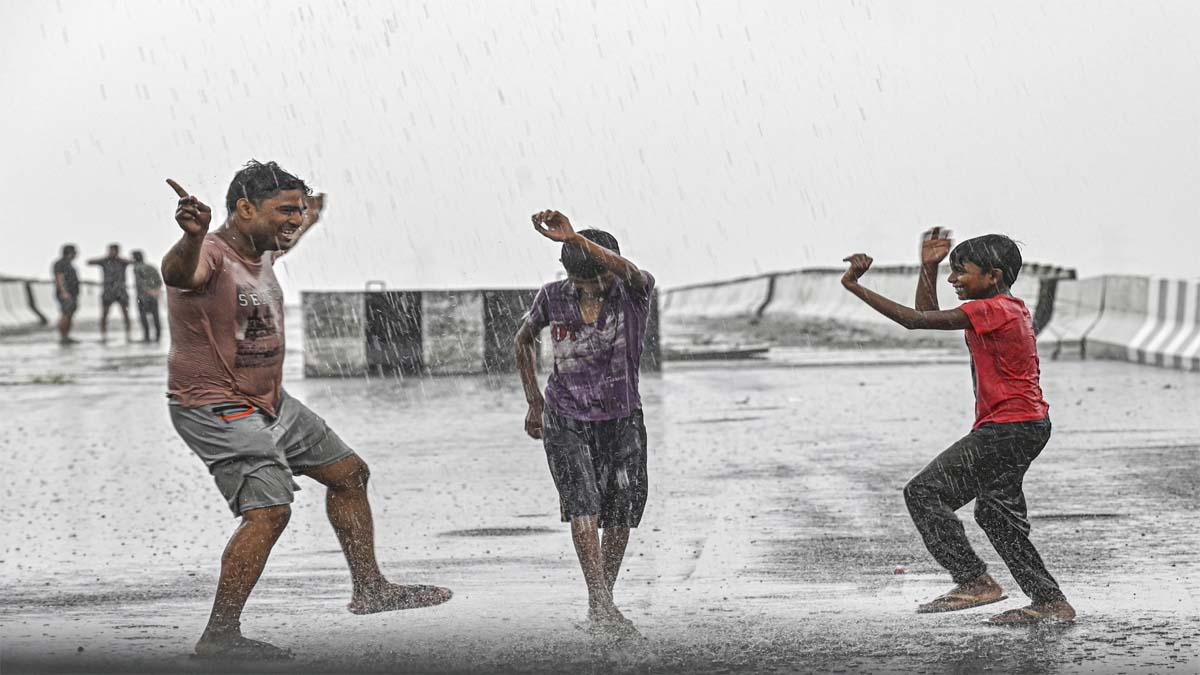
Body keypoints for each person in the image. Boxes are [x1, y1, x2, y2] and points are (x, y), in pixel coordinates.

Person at [161, 160, 451, 660]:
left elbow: (295, 228)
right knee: (269, 511)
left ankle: (371, 589)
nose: (293, 220)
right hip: (215, 405)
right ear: (245, 209)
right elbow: (178, 273)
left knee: (349, 473)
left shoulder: (262, 249)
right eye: (284, 211)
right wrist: (192, 235)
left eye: (298, 210)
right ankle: (220, 636)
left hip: (272, 403)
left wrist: (310, 212)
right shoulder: (210, 253)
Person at [839, 227, 1075, 625]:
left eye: (961, 271)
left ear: (993, 276)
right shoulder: (1006, 307)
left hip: (1008, 428)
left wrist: (854, 286)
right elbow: (927, 315)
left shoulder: (992, 310)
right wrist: (928, 268)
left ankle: (974, 580)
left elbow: (914, 320)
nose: (953, 279)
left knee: (924, 492)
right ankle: (1049, 601)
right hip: (1026, 425)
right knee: (995, 515)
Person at [514, 210, 655, 635]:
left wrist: (575, 237)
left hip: (622, 417)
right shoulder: (553, 296)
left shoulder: (633, 291)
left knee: (620, 511)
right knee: (583, 506)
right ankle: (600, 601)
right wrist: (534, 401)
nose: (592, 289)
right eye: (582, 282)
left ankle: (602, 601)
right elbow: (523, 341)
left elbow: (628, 270)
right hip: (566, 417)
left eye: (598, 279)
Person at [87, 243, 132, 341]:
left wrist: (119, 258)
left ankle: (128, 334)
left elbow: (132, 262)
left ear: (117, 251)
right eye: (110, 250)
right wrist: (105, 258)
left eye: (113, 251)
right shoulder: (104, 261)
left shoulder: (122, 262)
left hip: (121, 290)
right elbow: (89, 262)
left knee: (125, 314)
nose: (111, 252)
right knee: (104, 314)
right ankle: (103, 335)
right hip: (108, 291)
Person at [131, 250, 163, 342]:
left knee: (143, 317)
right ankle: (158, 336)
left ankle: (147, 337)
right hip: (153, 295)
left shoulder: (136, 268)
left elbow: (140, 283)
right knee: (155, 316)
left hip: (143, 296)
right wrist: (155, 291)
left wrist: (146, 290)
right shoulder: (151, 267)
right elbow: (159, 281)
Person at [52, 244, 80, 345]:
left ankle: (66, 336)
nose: (76, 255)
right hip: (66, 293)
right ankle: (63, 336)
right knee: (65, 314)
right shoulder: (60, 263)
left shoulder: (69, 264)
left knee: (69, 314)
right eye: (75, 252)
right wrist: (64, 292)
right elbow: (59, 278)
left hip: (72, 293)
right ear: (70, 253)